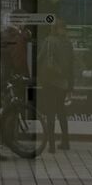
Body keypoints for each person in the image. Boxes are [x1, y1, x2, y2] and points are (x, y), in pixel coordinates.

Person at [38, 21, 74, 151]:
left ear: (53, 28)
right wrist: (70, 85)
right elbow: (71, 65)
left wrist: (38, 76)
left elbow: (40, 58)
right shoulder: (68, 43)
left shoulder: (49, 41)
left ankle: (51, 145)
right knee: (61, 112)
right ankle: (65, 142)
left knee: (50, 113)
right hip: (63, 83)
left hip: (49, 81)